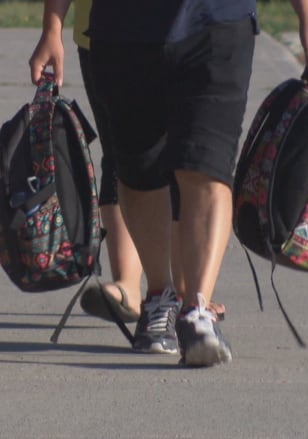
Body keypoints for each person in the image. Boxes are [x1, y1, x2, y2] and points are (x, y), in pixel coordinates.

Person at [30, 0, 308, 366]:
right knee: (139, 171)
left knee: (207, 164)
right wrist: (52, 27)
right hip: (122, 29)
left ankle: (198, 311)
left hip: (219, 22)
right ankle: (161, 296)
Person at [71, 0, 226, 331]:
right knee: (125, 157)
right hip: (104, 31)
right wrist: (51, 27)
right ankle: (131, 283)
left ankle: (188, 295)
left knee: (185, 162)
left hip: (186, 27)